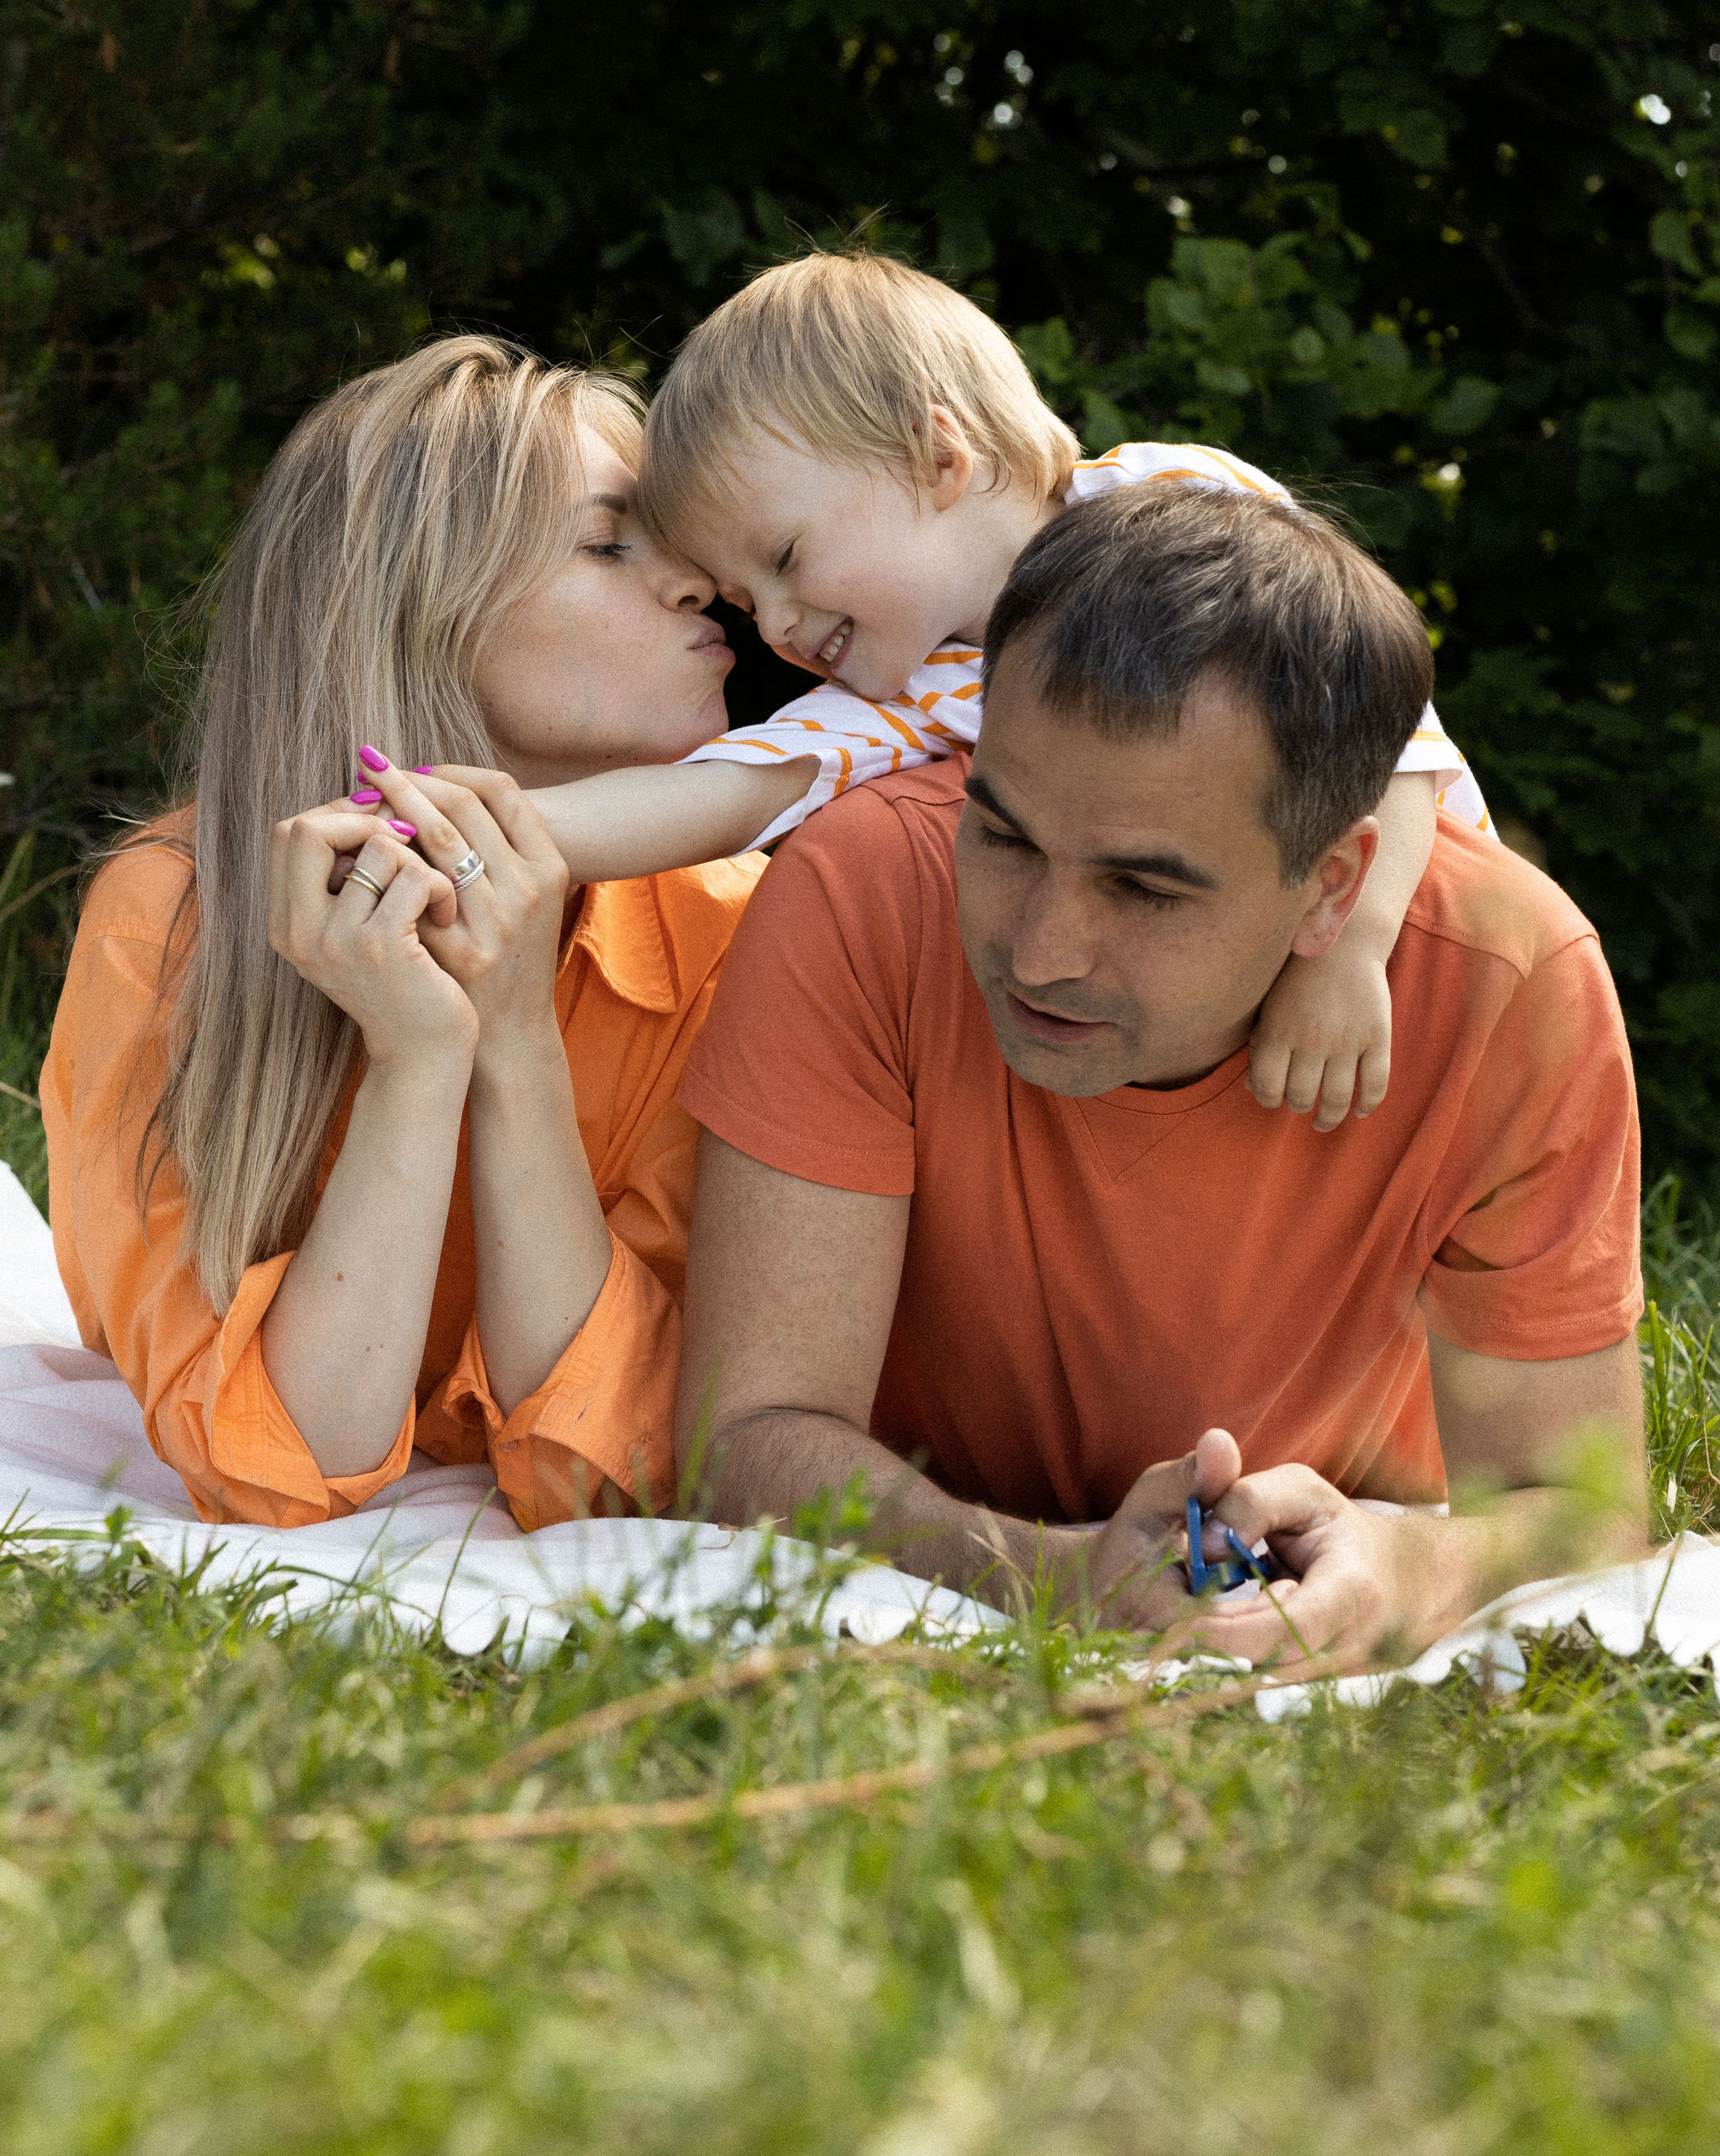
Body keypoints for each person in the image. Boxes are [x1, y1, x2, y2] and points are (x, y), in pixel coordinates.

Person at [672, 483, 1648, 1678]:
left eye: (1143, 890)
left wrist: (1406, 1561)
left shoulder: (1511, 979)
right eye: (1003, 836)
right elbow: (747, 1439)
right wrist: (1046, 1572)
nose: (1040, 953)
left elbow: (1581, 1505)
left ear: (1334, 890)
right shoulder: (859, 888)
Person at [41, 335, 760, 1530]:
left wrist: (513, 1038)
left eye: (683, 545)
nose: (702, 583)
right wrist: (419, 1058)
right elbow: (281, 1469)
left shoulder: (727, 929)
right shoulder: (168, 923)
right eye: (608, 544)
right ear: (416, 614)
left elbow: (616, 1478)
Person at [526, 250, 1493, 1135]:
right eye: (742, 602)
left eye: (783, 558)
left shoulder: (1182, 504)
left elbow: (1395, 734)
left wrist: (1350, 950)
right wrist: (484, 831)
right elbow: (720, 795)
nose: (774, 625)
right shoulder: (911, 689)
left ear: (939, 457)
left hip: (1419, 948)